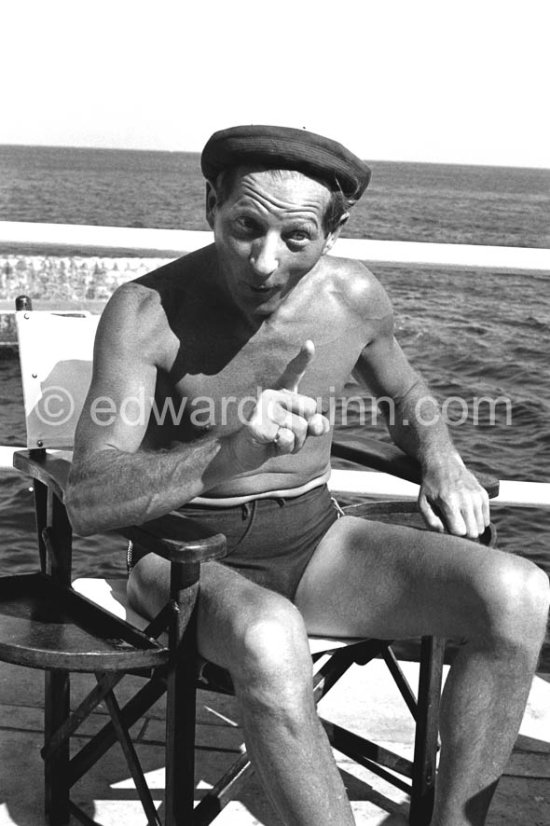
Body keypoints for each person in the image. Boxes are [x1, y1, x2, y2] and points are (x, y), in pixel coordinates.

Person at [66, 125, 549, 826]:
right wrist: (225, 454)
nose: (264, 262)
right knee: (269, 636)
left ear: (334, 229)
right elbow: (88, 496)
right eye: (245, 227)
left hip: (315, 541)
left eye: (295, 238)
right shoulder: (147, 313)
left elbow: (407, 397)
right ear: (211, 205)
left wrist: (441, 454)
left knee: (518, 592)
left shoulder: (352, 298)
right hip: (180, 559)